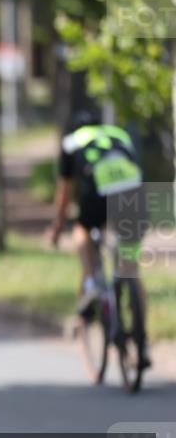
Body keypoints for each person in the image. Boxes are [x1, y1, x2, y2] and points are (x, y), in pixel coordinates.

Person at [46, 109, 150, 367]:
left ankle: (91, 282)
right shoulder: (119, 135)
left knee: (82, 229)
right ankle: (142, 342)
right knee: (131, 271)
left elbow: (64, 193)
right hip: (133, 193)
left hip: (98, 192)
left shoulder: (72, 142)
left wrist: (58, 227)